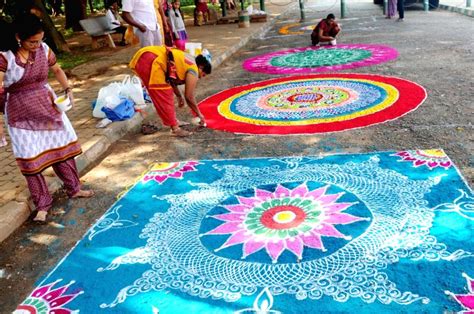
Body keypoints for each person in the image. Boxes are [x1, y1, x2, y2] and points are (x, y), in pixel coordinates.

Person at [0, 14, 94, 222]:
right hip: (19, 113)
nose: (37, 45)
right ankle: (42, 204)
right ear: (18, 38)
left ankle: (74, 188)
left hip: (48, 105)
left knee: (62, 151)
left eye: (40, 40)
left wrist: (68, 89)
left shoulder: (44, 50)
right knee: (30, 160)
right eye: (32, 41)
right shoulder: (5, 58)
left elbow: (58, 70)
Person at [129, 46, 211, 137]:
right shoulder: (194, 70)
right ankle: (175, 129)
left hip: (146, 55)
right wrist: (200, 114)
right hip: (151, 59)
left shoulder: (190, 62)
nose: (200, 78)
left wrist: (179, 95)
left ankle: (174, 122)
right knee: (164, 94)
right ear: (201, 67)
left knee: (166, 92)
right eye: (203, 75)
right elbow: (189, 96)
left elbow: (172, 77)